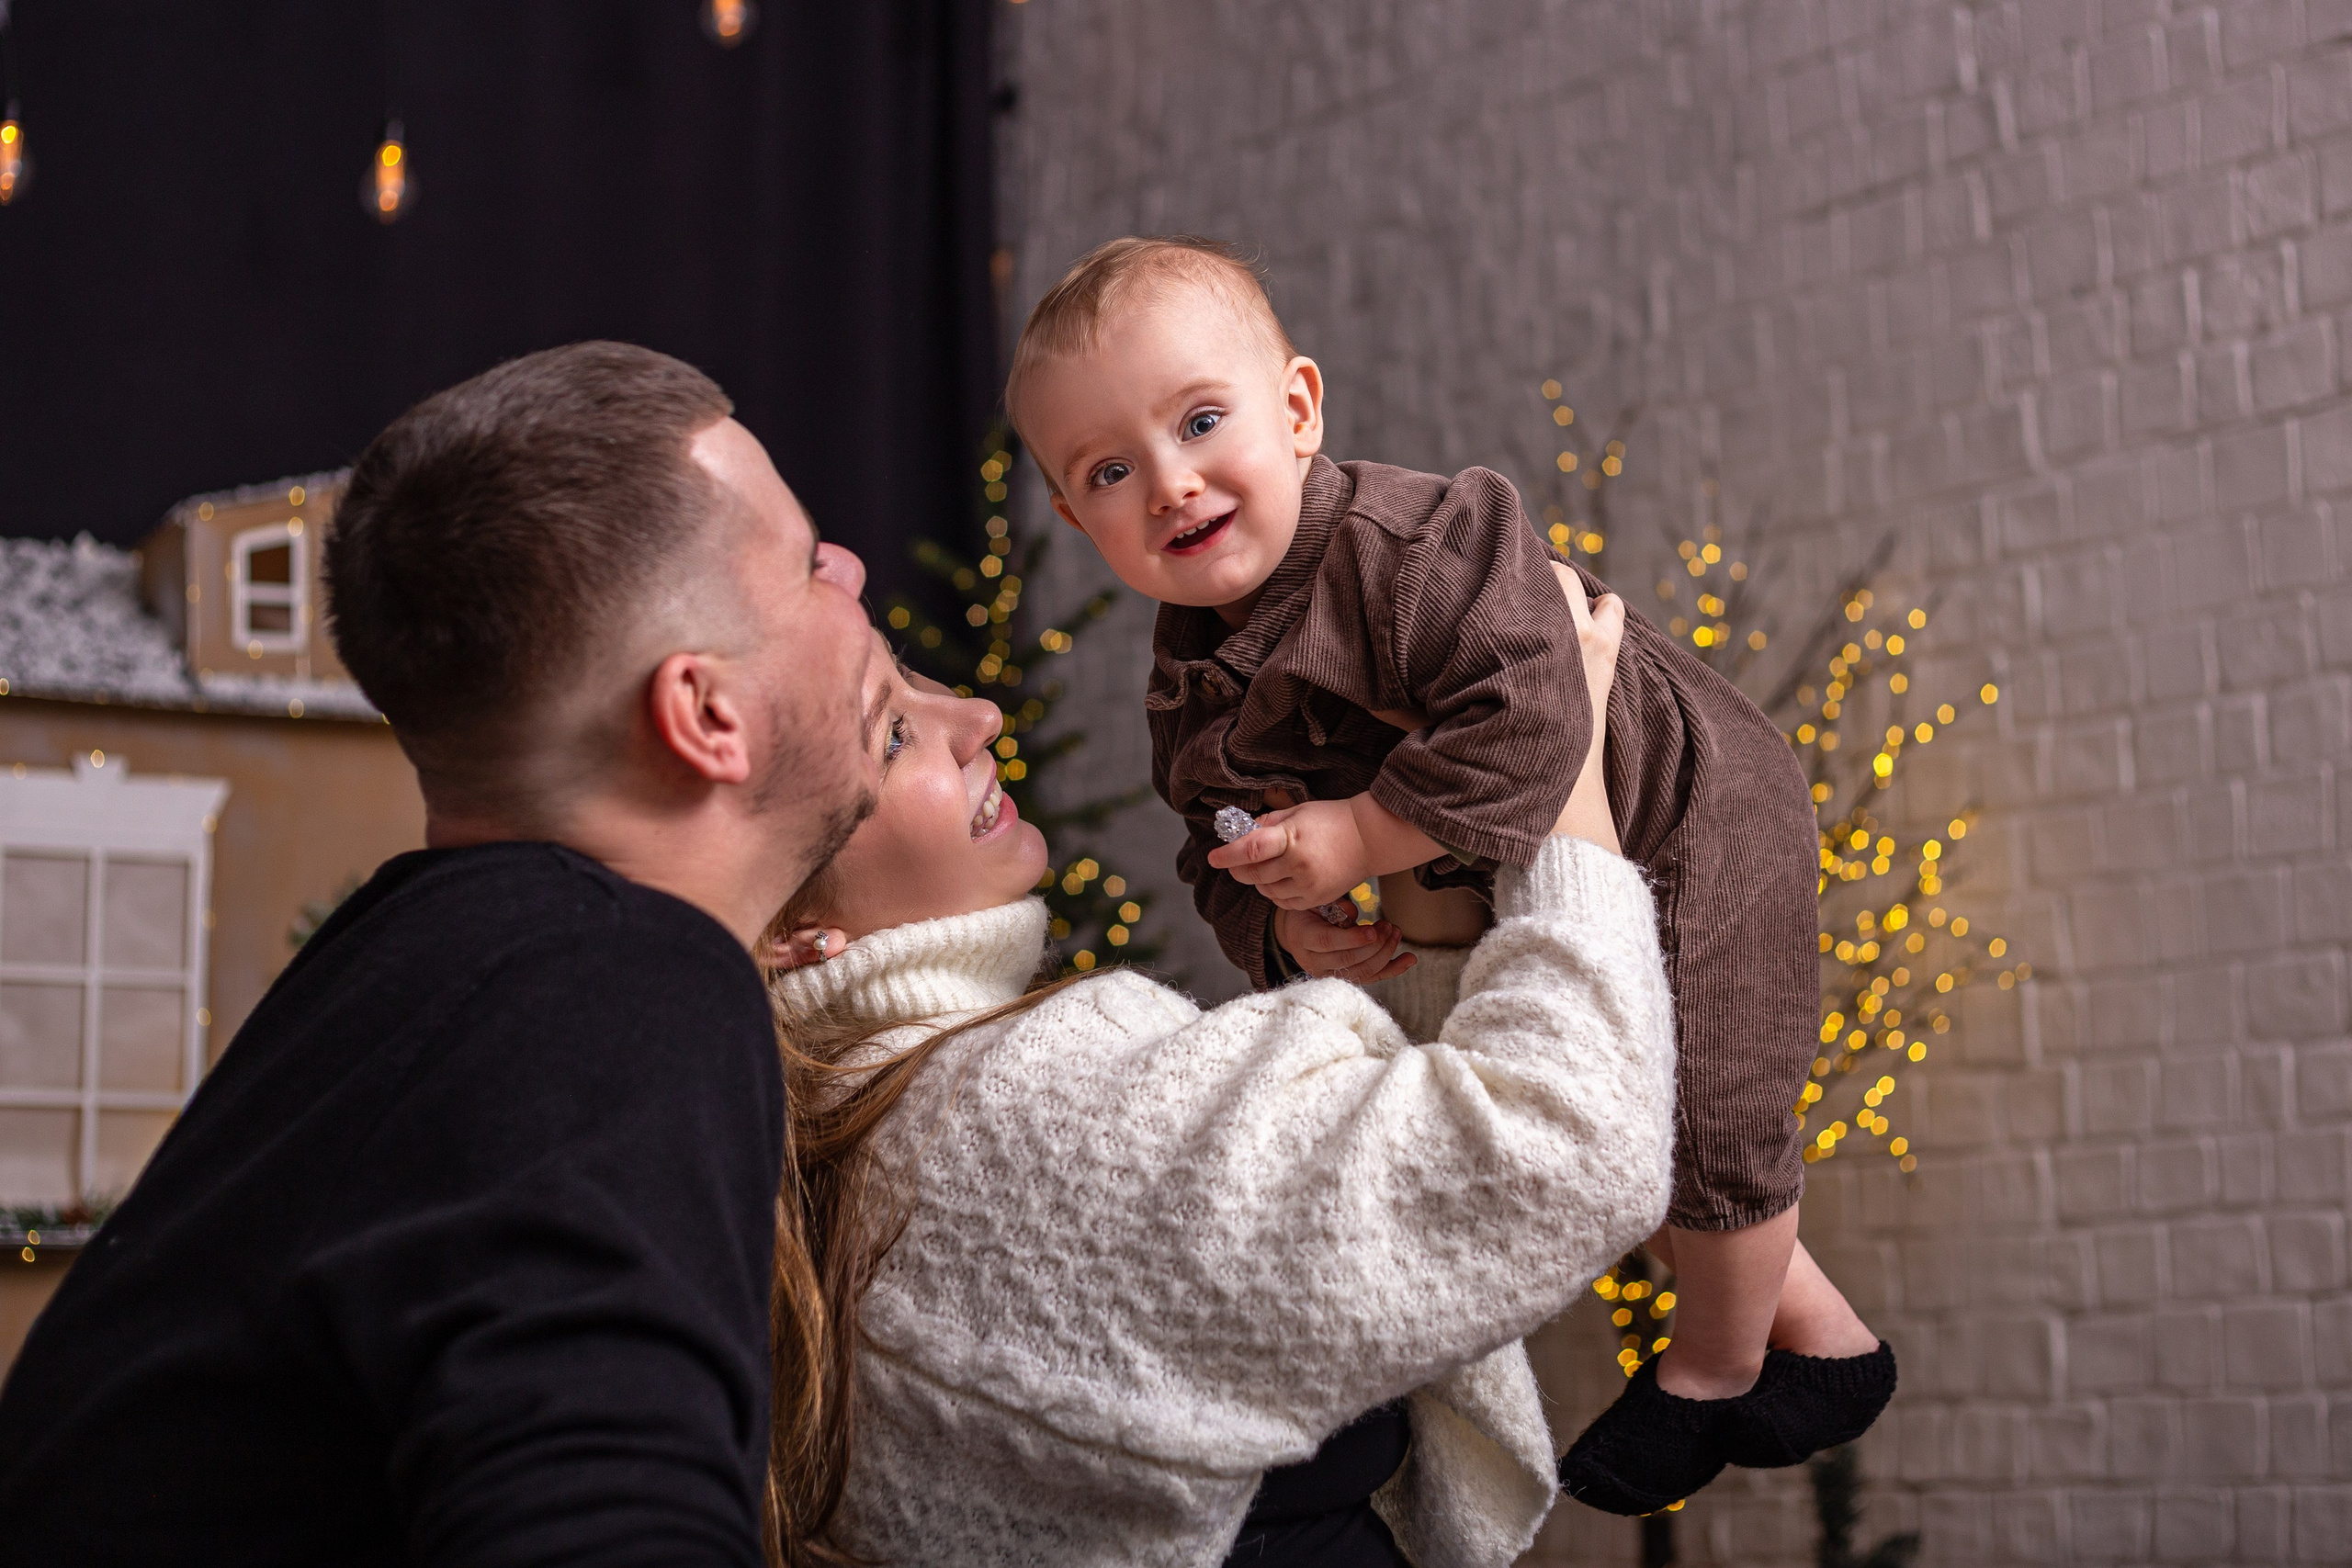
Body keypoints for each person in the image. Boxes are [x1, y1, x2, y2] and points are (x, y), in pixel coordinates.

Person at [1003, 236, 1894, 1515]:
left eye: (1202, 420)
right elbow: (1214, 830)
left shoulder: (1414, 542)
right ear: (1077, 513)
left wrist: (1363, 835)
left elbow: (1540, 709)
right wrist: (1279, 920)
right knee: (1594, 1103)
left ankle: (1711, 1363)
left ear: (1297, 408)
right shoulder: (1187, 674)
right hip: (1511, 871)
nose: (1171, 482)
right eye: (1109, 469)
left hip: (1683, 801)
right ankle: (1829, 1343)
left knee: (1713, 1083)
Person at [0, 343, 878, 1566]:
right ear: (707, 715)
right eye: (805, 562)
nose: (851, 571)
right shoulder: (614, 979)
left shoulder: (439, 967)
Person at [761, 581, 1674, 1567]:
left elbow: (1362, 1176)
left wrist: (1414, 883)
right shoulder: (1008, 1107)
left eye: (910, 677)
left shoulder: (831, 1118)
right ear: (790, 931)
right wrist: (1559, 779)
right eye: (891, 735)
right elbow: (1561, 1145)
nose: (973, 717)